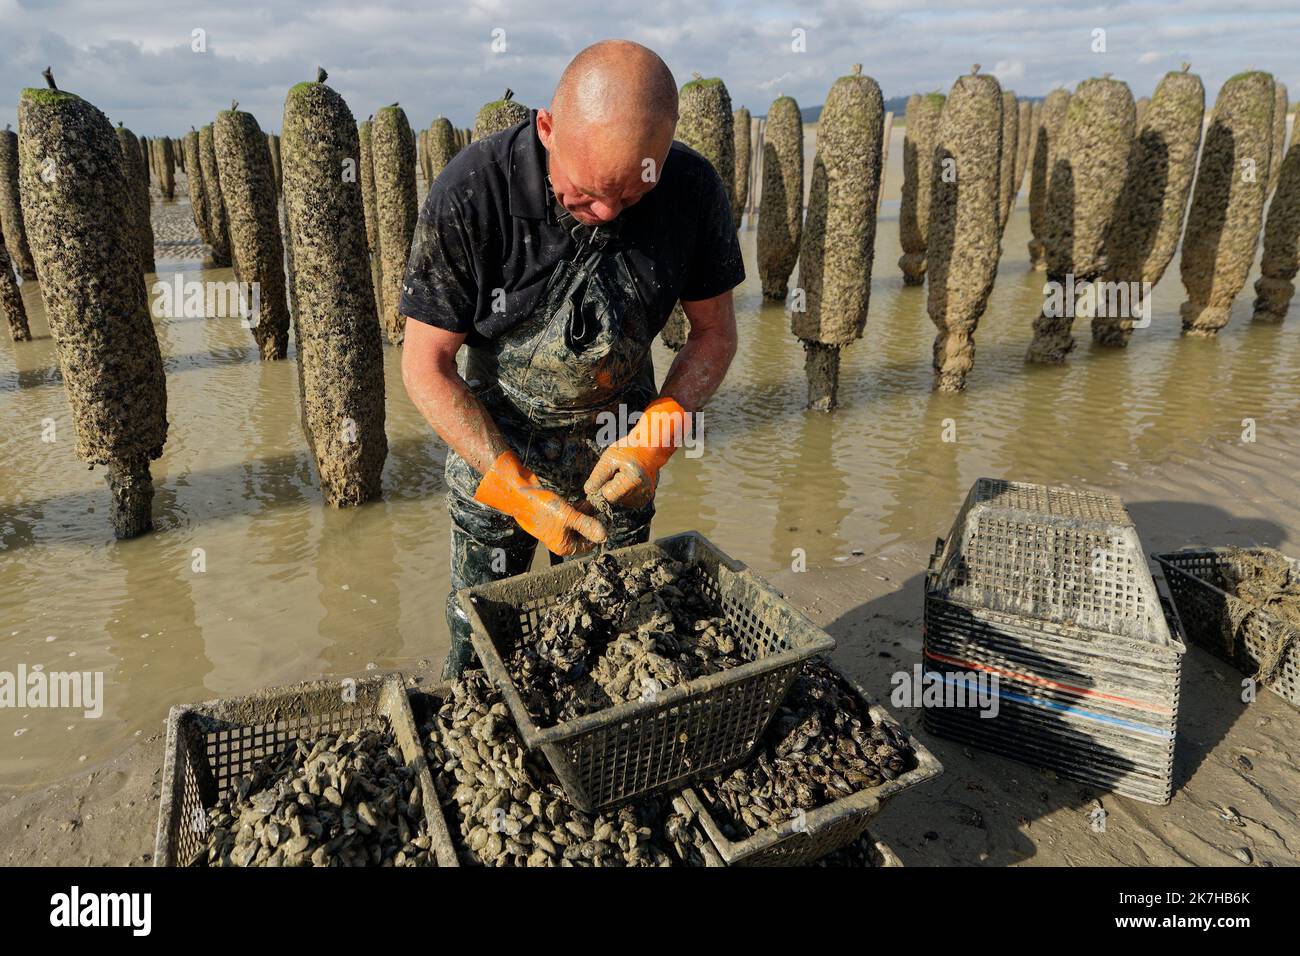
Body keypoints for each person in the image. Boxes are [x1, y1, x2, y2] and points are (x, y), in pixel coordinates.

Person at [400, 39, 742, 678]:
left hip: (618, 458)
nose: (608, 213)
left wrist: (657, 437)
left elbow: (714, 336)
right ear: (547, 128)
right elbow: (425, 365)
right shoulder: (474, 191)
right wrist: (516, 490)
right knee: (478, 646)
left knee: (605, 642)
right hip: (497, 445)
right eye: (585, 194)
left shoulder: (692, 190)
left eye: (632, 195)